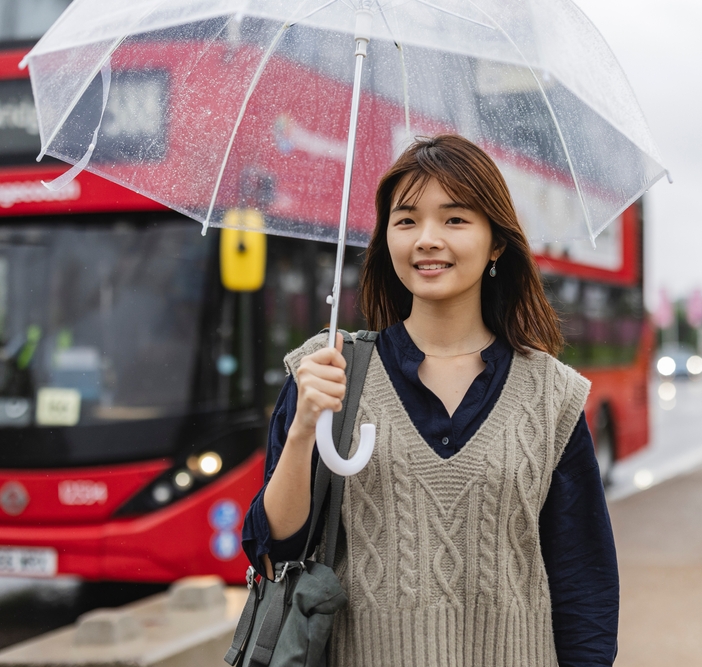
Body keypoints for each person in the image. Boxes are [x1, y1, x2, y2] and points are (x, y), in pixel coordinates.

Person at [242, 135, 618, 667]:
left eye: (455, 219)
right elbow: (272, 547)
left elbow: (584, 583)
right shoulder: (329, 371)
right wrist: (305, 428)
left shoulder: (550, 394)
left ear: (496, 243)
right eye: (406, 220)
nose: (427, 239)